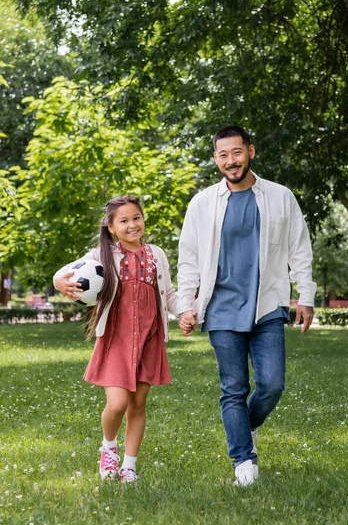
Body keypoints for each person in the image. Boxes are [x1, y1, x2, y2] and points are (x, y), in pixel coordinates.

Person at [177, 126, 316, 486]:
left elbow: (299, 249)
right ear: (215, 159)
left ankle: (245, 425)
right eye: (223, 155)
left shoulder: (280, 197)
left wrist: (306, 296)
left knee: (272, 384)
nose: (230, 161)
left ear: (250, 151)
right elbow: (188, 258)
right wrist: (185, 304)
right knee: (233, 388)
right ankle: (243, 459)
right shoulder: (202, 203)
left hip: (268, 304)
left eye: (236, 153)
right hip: (221, 308)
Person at [54, 195, 189, 483]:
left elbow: (168, 295)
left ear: (143, 219)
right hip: (117, 338)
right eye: (124, 220)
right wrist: (59, 282)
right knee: (117, 404)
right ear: (111, 227)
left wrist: (184, 313)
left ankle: (129, 466)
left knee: (137, 405)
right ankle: (108, 447)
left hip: (148, 339)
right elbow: (63, 274)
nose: (132, 225)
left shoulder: (156, 254)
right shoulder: (102, 256)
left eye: (136, 218)